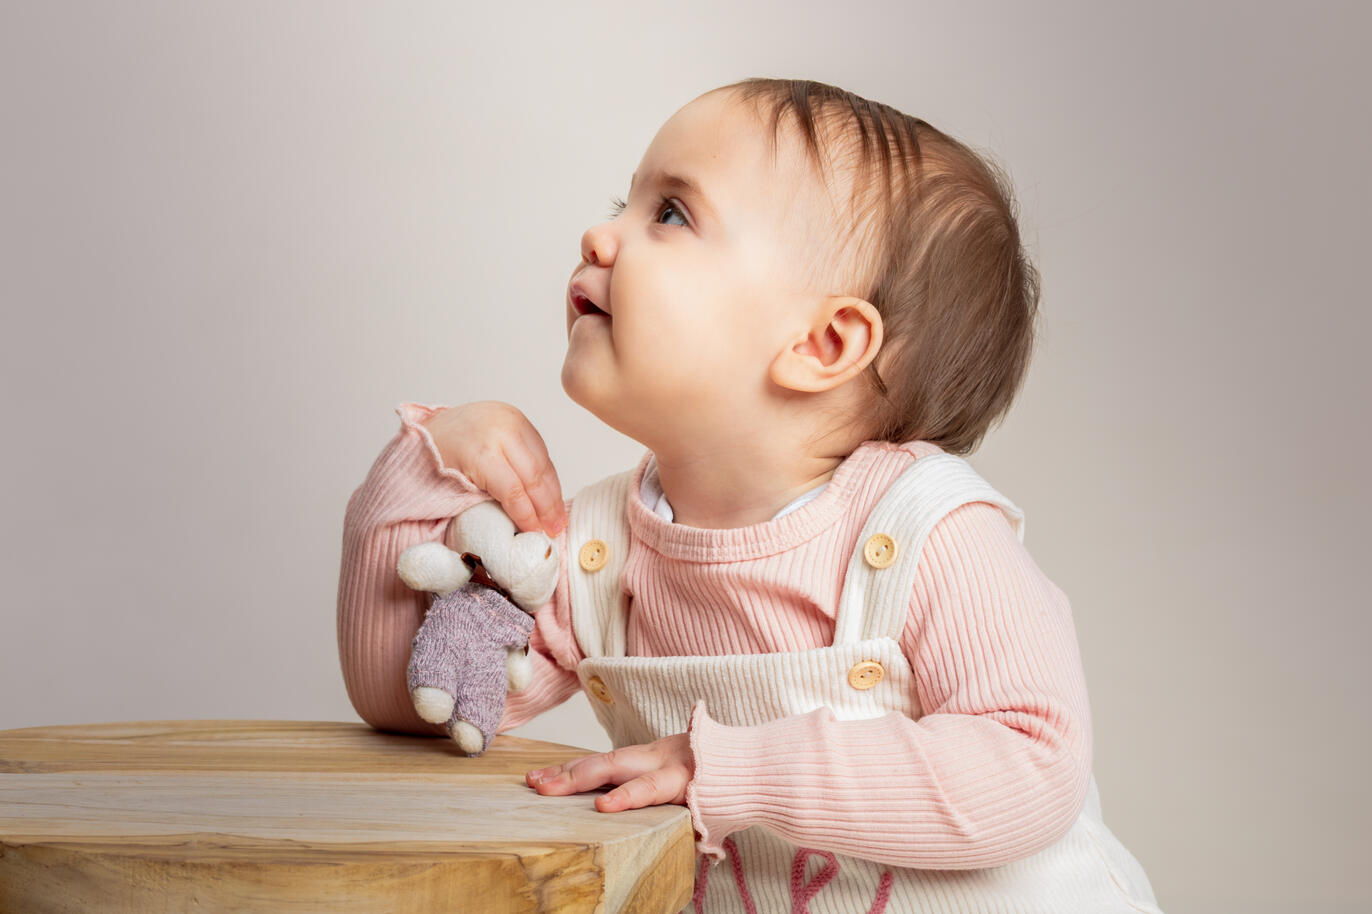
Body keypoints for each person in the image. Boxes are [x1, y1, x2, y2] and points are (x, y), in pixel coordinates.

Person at [337, 77, 1163, 913]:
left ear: (823, 343)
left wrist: (729, 767)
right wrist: (424, 470)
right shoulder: (599, 550)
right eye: (624, 203)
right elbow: (417, 704)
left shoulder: (929, 533)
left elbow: (1032, 764)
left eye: (670, 214)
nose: (599, 235)